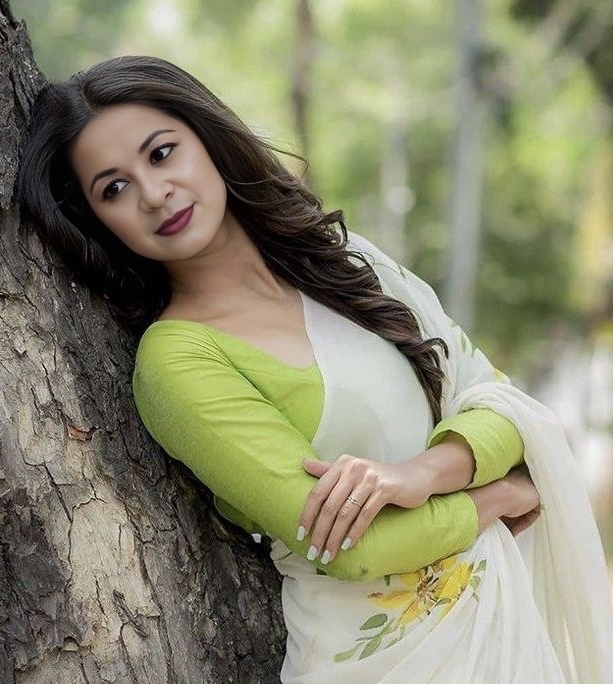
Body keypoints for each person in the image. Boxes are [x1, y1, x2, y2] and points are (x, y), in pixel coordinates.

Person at [19, 55, 612, 683]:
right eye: (114, 189)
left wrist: (423, 473)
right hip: (382, 662)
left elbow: (494, 396)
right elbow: (353, 549)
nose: (154, 193)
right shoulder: (179, 361)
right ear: (97, 221)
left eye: (162, 154)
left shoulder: (347, 265)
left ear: (208, 138)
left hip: (505, 632)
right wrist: (501, 494)